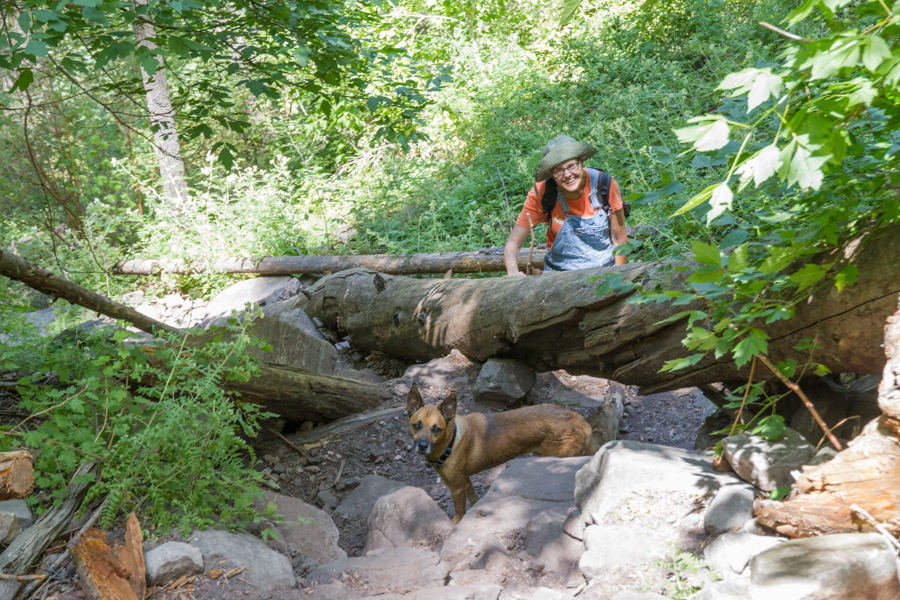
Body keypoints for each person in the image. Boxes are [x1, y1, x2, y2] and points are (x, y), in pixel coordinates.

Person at [504, 135, 628, 276]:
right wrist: (513, 273)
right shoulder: (543, 193)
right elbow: (513, 243)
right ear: (551, 173)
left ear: (581, 162)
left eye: (571, 166)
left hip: (605, 270)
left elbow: (619, 241)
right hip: (558, 275)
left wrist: (619, 277)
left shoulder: (605, 186)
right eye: (559, 170)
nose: (567, 175)